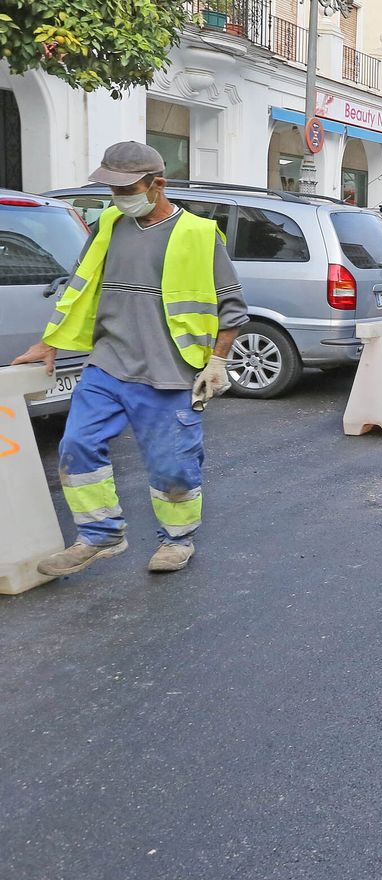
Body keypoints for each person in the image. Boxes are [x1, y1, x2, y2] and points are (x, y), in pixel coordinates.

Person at [9, 141, 248, 576]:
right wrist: (51, 342)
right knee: (77, 445)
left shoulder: (197, 233)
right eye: (112, 189)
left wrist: (217, 361)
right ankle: (100, 534)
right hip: (107, 366)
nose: (119, 197)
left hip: (171, 374)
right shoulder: (107, 226)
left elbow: (231, 308)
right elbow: (79, 291)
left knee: (173, 468)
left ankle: (177, 541)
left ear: (158, 184)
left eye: (127, 188)